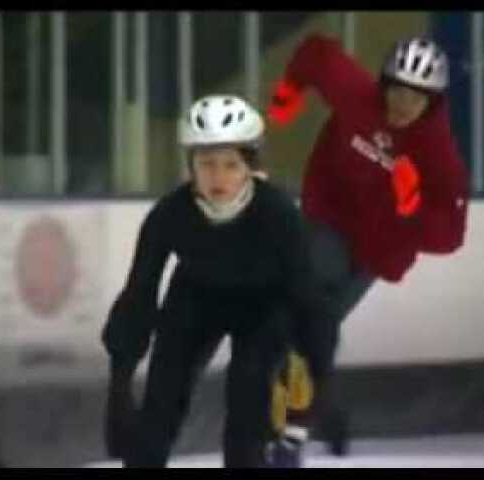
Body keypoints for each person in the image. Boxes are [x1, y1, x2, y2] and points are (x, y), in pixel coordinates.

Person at [264, 35, 471, 467]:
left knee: (313, 333)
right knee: (306, 317)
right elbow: (316, 53)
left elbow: (451, 235)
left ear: (432, 104)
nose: (401, 104)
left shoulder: (439, 155)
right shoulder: (357, 94)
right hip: (331, 220)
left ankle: (325, 415)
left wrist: (412, 208)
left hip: (378, 252)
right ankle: (290, 434)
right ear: (382, 84)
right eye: (396, 90)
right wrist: (290, 90)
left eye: (415, 98)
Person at [100, 94, 320, 468]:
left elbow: (305, 293)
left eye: (230, 165)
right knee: (157, 414)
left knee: (247, 412)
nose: (218, 177)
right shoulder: (169, 214)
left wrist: (313, 374)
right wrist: (119, 387)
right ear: (190, 166)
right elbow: (139, 294)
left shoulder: (278, 213)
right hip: (196, 297)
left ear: (250, 167)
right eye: (206, 164)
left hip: (263, 304)